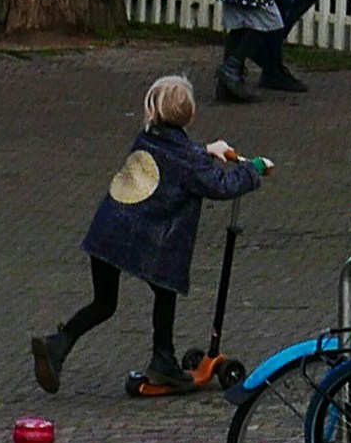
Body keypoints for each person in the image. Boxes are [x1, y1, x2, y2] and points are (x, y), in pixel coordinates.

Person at [33, 73, 263, 397]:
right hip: (144, 239)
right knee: (165, 287)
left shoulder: (148, 138)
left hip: (107, 230)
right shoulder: (185, 158)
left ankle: (59, 342)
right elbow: (218, 185)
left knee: (104, 302)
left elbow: (179, 158)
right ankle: (163, 359)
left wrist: (207, 150)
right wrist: (250, 170)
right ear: (191, 115)